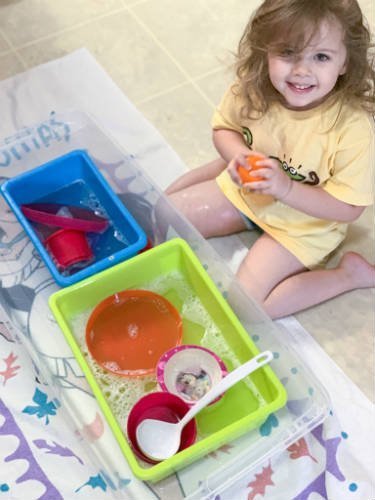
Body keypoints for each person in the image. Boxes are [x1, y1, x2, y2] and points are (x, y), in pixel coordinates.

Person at [165, 0, 375, 319]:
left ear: (346, 62)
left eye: (321, 57)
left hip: (304, 227)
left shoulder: (352, 129)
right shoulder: (254, 88)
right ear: (265, 50)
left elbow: (349, 208)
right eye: (288, 52)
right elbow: (225, 128)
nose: (302, 70)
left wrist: (286, 189)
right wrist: (238, 156)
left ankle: (349, 276)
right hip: (247, 194)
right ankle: (222, 170)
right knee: (164, 215)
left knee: (245, 310)